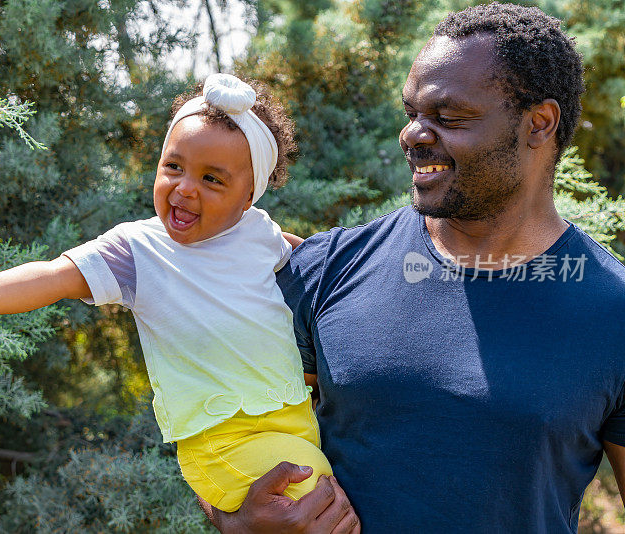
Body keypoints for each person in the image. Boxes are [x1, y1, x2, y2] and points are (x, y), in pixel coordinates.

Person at [202, 3, 625, 533]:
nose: (413, 135)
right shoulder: (328, 269)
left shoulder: (613, 312)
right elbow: (221, 427)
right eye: (412, 114)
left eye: (448, 118)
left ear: (538, 124)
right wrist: (236, 519)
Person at [0, 73, 360, 524]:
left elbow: (311, 262)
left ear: (248, 196)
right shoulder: (138, 251)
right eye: (173, 166)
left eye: (212, 179)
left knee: (350, 495)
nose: (184, 187)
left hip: (294, 422)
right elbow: (52, 276)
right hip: (223, 441)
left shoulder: (259, 234)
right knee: (323, 508)